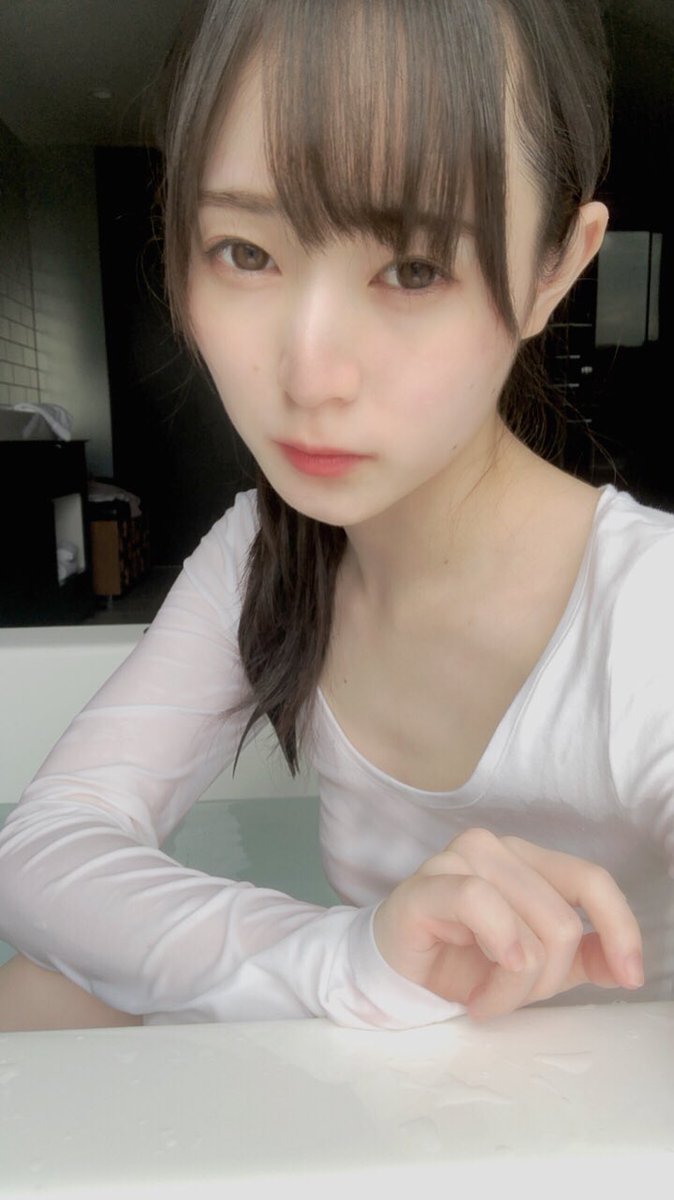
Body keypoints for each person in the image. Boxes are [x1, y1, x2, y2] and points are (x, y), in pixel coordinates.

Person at [0, 0, 670, 1034]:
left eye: (413, 268)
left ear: (556, 269)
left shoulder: (648, 615)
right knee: (43, 992)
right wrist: (349, 958)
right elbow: (47, 848)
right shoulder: (264, 554)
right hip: (373, 1088)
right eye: (245, 252)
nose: (310, 376)